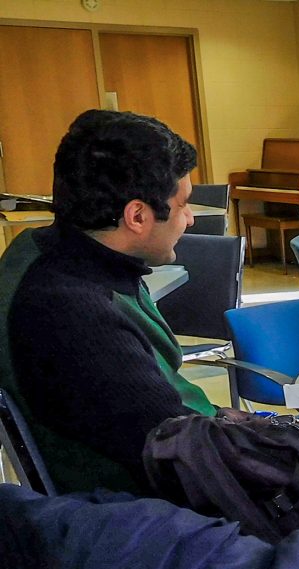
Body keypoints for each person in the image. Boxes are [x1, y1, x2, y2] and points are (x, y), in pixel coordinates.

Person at [0, 110, 216, 495]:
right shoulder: (73, 313)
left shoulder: (35, 252)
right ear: (137, 215)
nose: (190, 219)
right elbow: (183, 457)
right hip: (145, 517)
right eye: (183, 204)